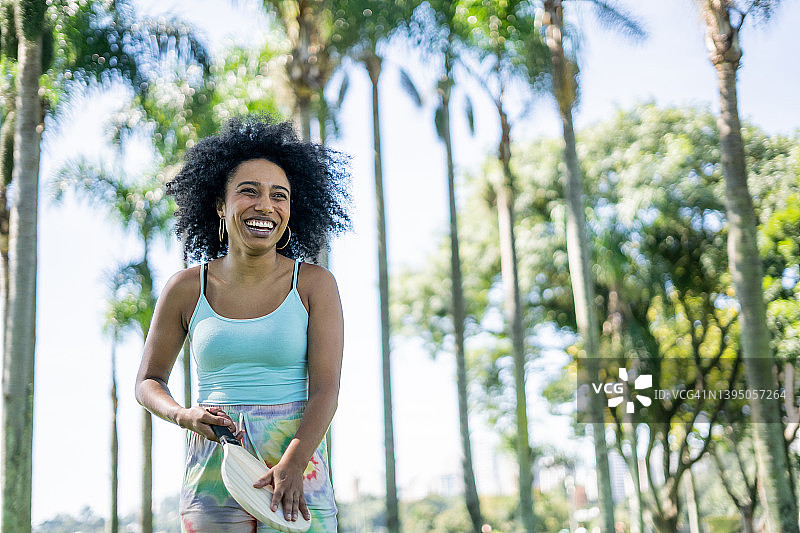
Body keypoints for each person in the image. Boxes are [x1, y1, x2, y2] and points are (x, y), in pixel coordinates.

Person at [135, 114, 351, 532]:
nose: (265, 206)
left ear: (293, 208)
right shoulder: (185, 287)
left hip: (295, 462)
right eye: (248, 192)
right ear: (220, 204)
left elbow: (327, 388)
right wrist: (183, 416)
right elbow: (147, 381)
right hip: (215, 462)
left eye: (279, 195)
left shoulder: (315, 285)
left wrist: (293, 462)